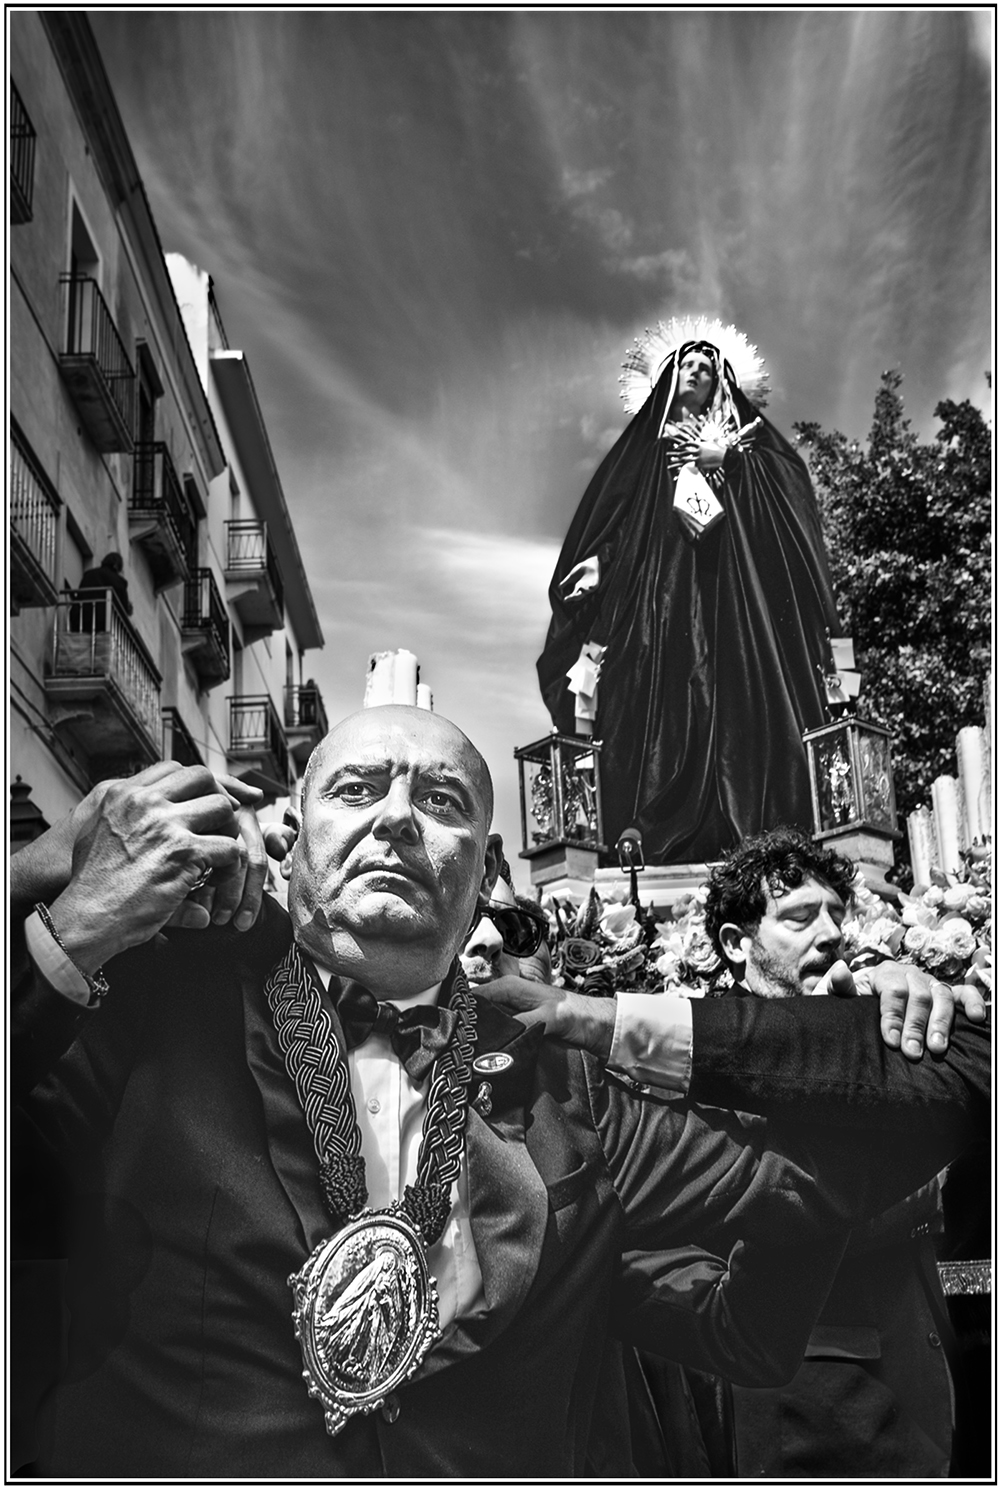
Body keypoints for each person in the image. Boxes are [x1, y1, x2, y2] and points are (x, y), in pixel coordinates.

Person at [14, 707, 987, 1477]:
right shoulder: (150, 997)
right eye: (357, 787)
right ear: (291, 837)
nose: (397, 815)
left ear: (483, 873)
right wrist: (63, 894)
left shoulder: (570, 1081)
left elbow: (865, 1150)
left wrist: (858, 1032)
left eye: (440, 798)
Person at [485, 826, 989, 1476]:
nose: (830, 934)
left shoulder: (870, 1015)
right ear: (734, 942)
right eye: (800, 917)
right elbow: (757, 1208)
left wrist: (893, 1037)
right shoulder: (671, 1076)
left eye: (838, 913)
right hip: (809, 1419)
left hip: (926, 1391)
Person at [537, 325, 839, 862]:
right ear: (669, 379)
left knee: (734, 689)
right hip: (659, 599)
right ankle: (646, 819)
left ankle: (749, 823)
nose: (698, 373)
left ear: (722, 382)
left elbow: (790, 486)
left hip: (733, 597)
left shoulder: (748, 446)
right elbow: (625, 523)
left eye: (708, 368)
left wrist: (733, 461)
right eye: (689, 366)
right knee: (655, 691)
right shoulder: (650, 453)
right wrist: (600, 565)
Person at [72, 550, 133, 629]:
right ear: (116, 566)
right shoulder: (120, 582)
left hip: (82, 621)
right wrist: (128, 609)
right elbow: (123, 609)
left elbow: (79, 596)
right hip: (105, 624)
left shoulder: (89, 574)